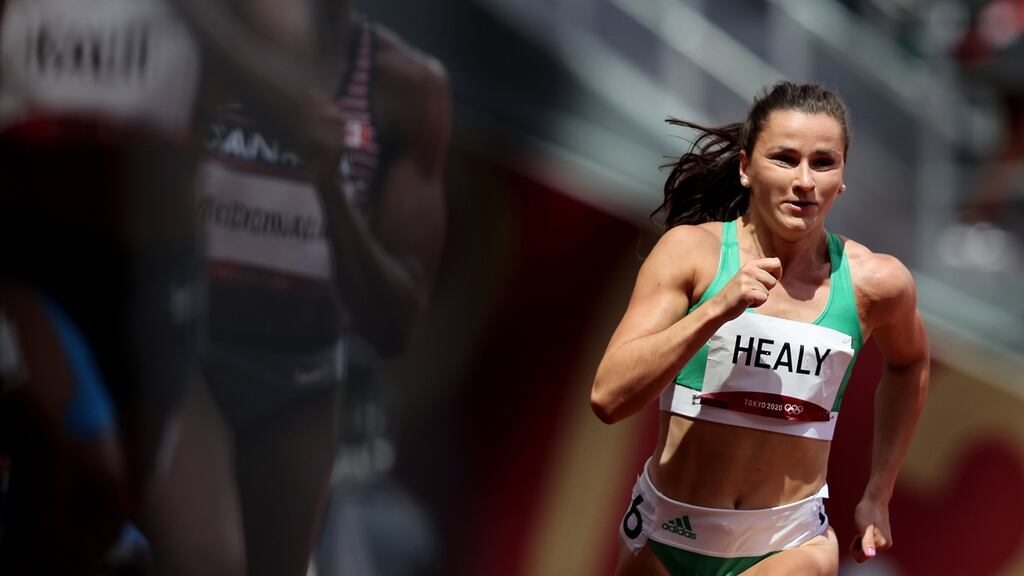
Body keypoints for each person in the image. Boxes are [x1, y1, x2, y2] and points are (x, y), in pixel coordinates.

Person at [138, 1, 450, 574]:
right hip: (188, 354)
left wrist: (330, 186)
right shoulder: (202, 36)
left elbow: (395, 325)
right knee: (206, 561)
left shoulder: (404, 87)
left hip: (299, 383)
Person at [590, 82, 930, 575]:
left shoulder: (876, 282)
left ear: (843, 177)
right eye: (786, 159)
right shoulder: (692, 255)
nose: (805, 181)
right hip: (669, 533)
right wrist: (716, 310)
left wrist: (880, 490)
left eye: (823, 163)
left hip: (789, 543)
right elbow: (608, 398)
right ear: (747, 168)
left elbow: (910, 361)